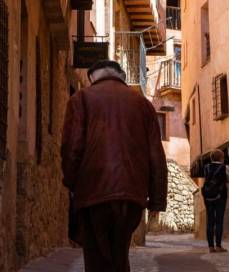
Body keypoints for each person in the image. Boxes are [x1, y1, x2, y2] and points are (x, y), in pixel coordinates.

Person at [61, 60, 168, 272]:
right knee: (119, 255)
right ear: (121, 76)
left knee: (96, 259)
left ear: (93, 77)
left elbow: (72, 147)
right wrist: (157, 200)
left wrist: (72, 183)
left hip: (93, 191)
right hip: (132, 195)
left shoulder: (81, 98)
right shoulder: (143, 104)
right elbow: (156, 155)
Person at [201, 149, 229, 253]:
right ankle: (218, 246)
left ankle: (210, 247)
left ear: (211, 158)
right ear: (221, 158)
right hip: (220, 197)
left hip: (208, 197)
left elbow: (207, 181)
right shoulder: (225, 167)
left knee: (210, 221)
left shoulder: (206, 167)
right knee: (219, 221)